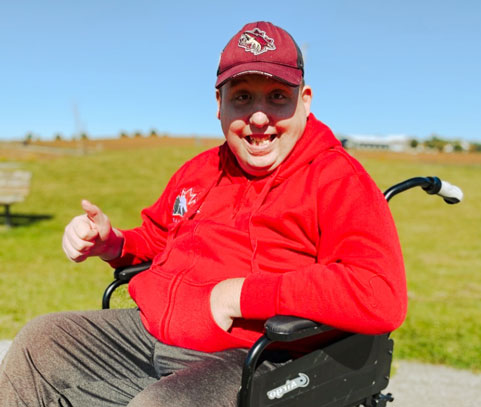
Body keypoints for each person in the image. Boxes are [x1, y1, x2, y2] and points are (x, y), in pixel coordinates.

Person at [0, 21, 407, 406]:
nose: (259, 116)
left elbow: (378, 292)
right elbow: (157, 238)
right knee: (41, 343)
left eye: (277, 97)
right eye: (242, 97)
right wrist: (113, 243)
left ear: (305, 101)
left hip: (249, 356)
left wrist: (239, 295)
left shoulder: (335, 177)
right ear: (219, 104)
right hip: (149, 334)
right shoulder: (200, 170)